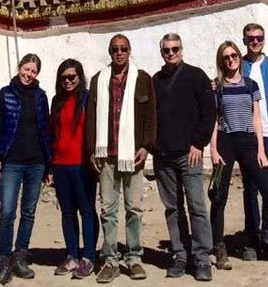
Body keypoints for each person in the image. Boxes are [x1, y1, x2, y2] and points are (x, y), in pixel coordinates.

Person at [208, 41, 268, 270]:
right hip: (225, 142)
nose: (230, 59)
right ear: (222, 61)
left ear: (239, 57)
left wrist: (261, 148)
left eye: (233, 55)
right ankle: (219, 248)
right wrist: (212, 149)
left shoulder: (251, 84)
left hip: (249, 142)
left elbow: (257, 118)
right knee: (219, 195)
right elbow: (213, 119)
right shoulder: (217, 87)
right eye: (226, 57)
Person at [85, 34, 156, 284]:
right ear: (109, 51)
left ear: (129, 51)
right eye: (115, 49)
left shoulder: (142, 79)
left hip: (132, 155)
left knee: (134, 208)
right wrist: (92, 149)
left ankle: (134, 257)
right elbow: (92, 116)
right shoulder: (99, 80)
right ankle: (110, 260)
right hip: (107, 157)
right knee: (107, 210)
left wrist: (146, 146)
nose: (119, 52)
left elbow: (150, 115)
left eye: (123, 48)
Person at [151, 33, 215, 281]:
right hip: (163, 155)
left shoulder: (196, 76)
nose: (171, 53)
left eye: (175, 49)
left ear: (181, 49)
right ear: (161, 53)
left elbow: (209, 113)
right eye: (166, 50)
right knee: (172, 208)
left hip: (190, 154)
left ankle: (202, 258)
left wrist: (199, 144)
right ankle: (179, 254)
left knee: (196, 206)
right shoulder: (155, 80)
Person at [0, 54, 53, 286]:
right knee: (7, 212)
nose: (29, 74)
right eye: (26, 69)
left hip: (36, 163)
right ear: (19, 68)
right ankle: (3, 259)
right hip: (12, 163)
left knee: (29, 212)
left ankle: (20, 256)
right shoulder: (5, 94)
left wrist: (49, 165)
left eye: (33, 71)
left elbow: (46, 131)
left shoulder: (40, 96)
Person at [50, 59, 99, 280]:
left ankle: (88, 256)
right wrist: (50, 165)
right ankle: (72, 255)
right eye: (64, 77)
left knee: (87, 210)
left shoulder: (88, 99)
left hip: (82, 164)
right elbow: (53, 133)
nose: (68, 81)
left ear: (80, 77)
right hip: (60, 164)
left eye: (72, 77)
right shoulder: (56, 101)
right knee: (67, 212)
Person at [240, 23, 268, 260]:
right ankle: (251, 238)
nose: (255, 42)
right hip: (247, 135)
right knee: (250, 188)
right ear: (244, 40)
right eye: (250, 38)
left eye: (259, 38)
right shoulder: (239, 66)